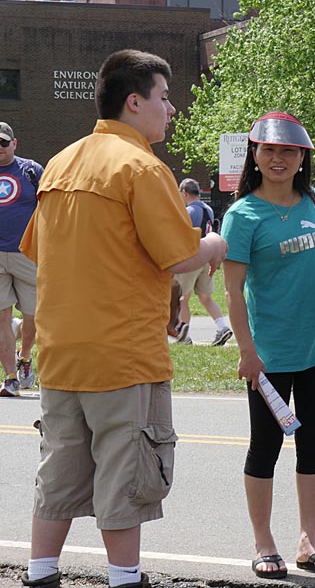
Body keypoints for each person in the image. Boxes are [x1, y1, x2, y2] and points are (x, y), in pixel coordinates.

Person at [18, 49, 228, 588]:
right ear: (134, 102)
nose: (172, 109)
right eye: (163, 97)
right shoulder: (142, 167)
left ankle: (39, 573)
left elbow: (39, 250)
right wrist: (216, 241)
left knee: (59, 471)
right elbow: (179, 255)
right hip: (123, 354)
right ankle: (124, 579)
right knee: (128, 473)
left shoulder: (60, 163)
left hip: (61, 352)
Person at [220, 111, 315, 580]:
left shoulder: (314, 200)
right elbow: (233, 292)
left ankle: (308, 542)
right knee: (265, 447)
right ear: (255, 155)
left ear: (302, 158)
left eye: (289, 151)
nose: (279, 159)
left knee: (314, 445)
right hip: (268, 353)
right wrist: (247, 352)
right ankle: (264, 543)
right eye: (270, 150)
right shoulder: (243, 215)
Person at [0, 121, 43, 396]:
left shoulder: (31, 171)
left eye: (4, 143)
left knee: (33, 317)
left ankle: (24, 357)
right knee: (1, 318)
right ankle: (10, 379)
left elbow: (50, 204)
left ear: (14, 143)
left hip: (27, 254)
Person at [173, 177, 233, 346]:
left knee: (182, 298)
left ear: (184, 192)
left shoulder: (189, 211)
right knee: (206, 297)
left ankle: (184, 335)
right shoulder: (208, 209)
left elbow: (184, 235)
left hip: (192, 258)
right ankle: (222, 327)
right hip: (207, 259)